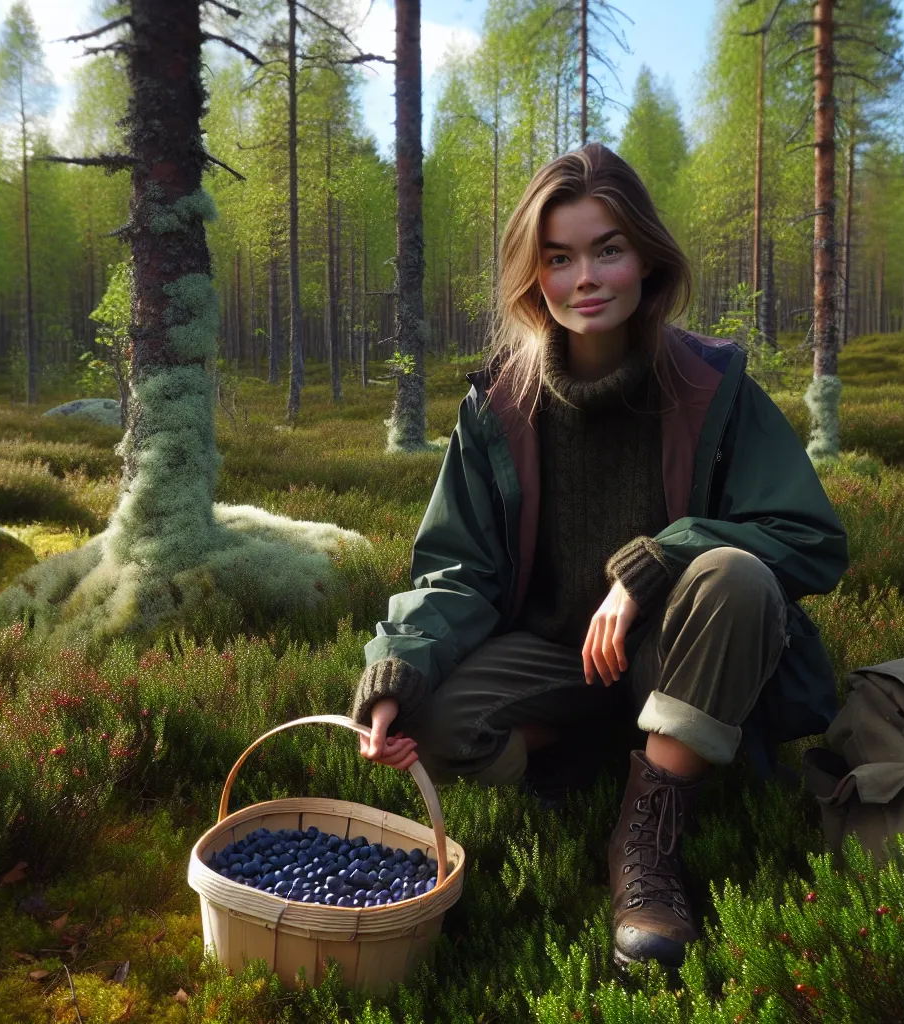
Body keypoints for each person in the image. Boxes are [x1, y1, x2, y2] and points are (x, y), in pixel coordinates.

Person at [349, 142, 848, 970]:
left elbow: (809, 540)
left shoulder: (711, 386)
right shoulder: (497, 407)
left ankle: (646, 844)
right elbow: (458, 570)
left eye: (608, 249)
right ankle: (612, 749)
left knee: (736, 573)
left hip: (676, 653)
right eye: (560, 257)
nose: (587, 277)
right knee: (435, 714)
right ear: (533, 275)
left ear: (646, 259)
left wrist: (654, 564)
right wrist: (397, 669)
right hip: (556, 657)